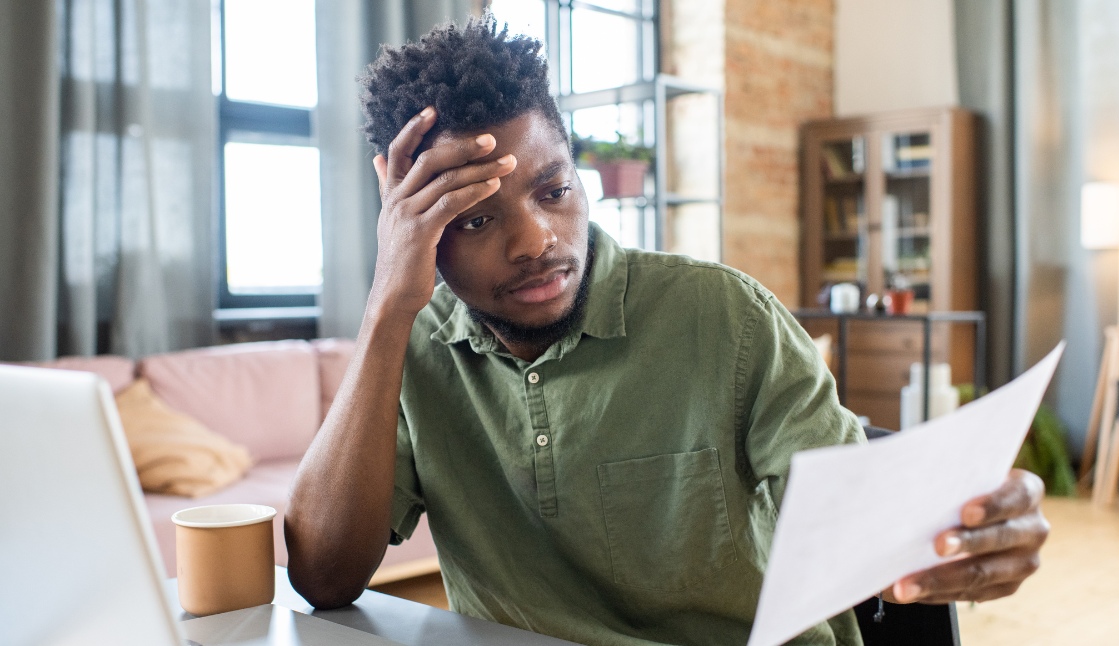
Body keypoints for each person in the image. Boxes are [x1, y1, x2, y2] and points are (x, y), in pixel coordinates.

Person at [285, 15, 1049, 646]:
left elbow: (857, 519)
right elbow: (321, 577)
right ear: (412, 228)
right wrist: (387, 310)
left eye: (554, 190)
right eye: (476, 220)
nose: (536, 240)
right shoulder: (413, 349)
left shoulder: (725, 317)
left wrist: (968, 526)